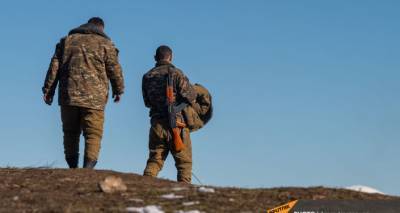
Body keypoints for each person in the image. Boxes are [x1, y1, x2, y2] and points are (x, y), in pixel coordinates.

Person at [42, 17, 125, 169]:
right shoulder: (106, 44)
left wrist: (48, 90)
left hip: (69, 95)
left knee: (70, 132)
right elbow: (114, 69)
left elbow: (54, 67)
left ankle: (72, 167)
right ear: (101, 28)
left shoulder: (66, 41)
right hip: (95, 98)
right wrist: (118, 90)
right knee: (93, 133)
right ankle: (87, 169)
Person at [142, 45, 196, 183]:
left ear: (155, 58)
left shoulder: (147, 76)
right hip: (177, 125)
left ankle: (144, 188)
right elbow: (191, 96)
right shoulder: (176, 73)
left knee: (155, 160)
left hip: (157, 125)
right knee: (184, 164)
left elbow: (147, 102)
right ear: (171, 57)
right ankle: (184, 196)